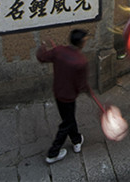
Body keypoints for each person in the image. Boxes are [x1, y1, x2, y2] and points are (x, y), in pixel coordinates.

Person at [36, 29, 94, 164]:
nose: (86, 42)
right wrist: (88, 90)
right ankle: (53, 153)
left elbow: (42, 57)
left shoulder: (59, 51)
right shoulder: (81, 62)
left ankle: (76, 140)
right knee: (66, 123)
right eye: (85, 40)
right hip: (69, 96)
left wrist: (43, 46)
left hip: (58, 92)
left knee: (68, 118)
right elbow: (81, 84)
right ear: (80, 43)